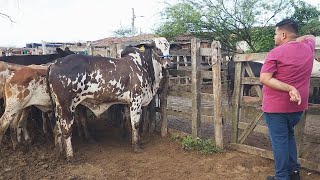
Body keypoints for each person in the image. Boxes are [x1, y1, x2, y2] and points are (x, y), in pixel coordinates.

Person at [260, 19, 315, 180]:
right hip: (298, 108)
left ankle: (282, 177)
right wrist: (295, 40)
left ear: (283, 35)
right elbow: (310, 36)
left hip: (276, 108)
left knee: (279, 142)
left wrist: (289, 88)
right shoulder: (308, 48)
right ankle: (294, 172)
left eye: (276, 33)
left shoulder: (275, 53)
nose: (274, 37)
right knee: (289, 136)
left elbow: (264, 78)